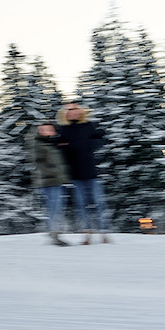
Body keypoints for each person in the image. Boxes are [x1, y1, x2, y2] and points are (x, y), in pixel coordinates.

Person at [56, 102, 110, 244]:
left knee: (99, 203)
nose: (72, 111)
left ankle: (104, 233)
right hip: (74, 174)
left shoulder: (89, 125)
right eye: (68, 109)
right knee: (81, 205)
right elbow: (57, 148)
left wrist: (89, 145)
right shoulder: (62, 129)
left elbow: (101, 140)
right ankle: (87, 233)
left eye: (75, 109)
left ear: (80, 111)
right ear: (65, 113)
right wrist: (64, 147)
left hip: (92, 172)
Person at [28, 123, 71, 246]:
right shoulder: (38, 144)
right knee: (54, 208)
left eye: (50, 129)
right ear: (40, 131)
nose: (48, 132)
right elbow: (38, 163)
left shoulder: (50, 144)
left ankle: (55, 232)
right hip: (48, 181)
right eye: (44, 130)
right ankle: (54, 234)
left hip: (57, 181)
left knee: (57, 208)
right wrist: (55, 172)